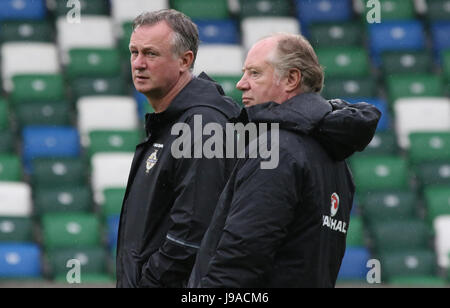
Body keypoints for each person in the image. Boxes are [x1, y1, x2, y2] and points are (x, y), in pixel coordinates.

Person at [187, 33, 381, 288]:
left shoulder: (276, 151)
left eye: (255, 73)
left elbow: (240, 260)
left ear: (291, 79)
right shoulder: (336, 159)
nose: (241, 84)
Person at [115, 9, 241, 288]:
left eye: (151, 54)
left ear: (185, 60)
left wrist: (149, 283)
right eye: (134, 52)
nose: (138, 63)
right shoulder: (173, 122)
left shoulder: (203, 127)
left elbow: (192, 235)